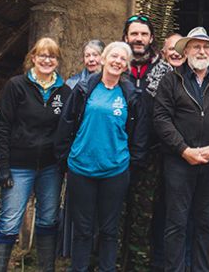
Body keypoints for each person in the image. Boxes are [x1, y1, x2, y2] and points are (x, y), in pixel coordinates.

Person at [55, 41, 146, 272]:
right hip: (81, 169)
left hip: (114, 171)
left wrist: (130, 165)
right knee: (83, 230)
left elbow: (137, 135)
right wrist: (64, 159)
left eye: (122, 59)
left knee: (108, 230)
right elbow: (66, 123)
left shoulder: (130, 95)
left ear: (126, 66)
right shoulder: (84, 89)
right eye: (113, 56)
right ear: (104, 59)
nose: (117, 61)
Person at [153, 27, 209, 272]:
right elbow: (161, 119)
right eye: (196, 46)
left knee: (206, 223)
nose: (201, 51)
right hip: (179, 163)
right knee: (176, 223)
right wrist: (183, 150)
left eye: (205, 47)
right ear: (186, 50)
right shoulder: (171, 80)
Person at [0, 37, 70, 272]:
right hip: (18, 165)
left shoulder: (63, 92)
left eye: (52, 56)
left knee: (48, 219)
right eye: (42, 55)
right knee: (9, 222)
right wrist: (3, 166)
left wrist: (62, 164)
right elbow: (2, 126)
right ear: (33, 58)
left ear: (57, 61)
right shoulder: (17, 86)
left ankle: (46, 268)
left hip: (50, 168)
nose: (47, 60)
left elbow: (66, 130)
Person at [121, 15, 175, 272]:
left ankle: (149, 264)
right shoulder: (117, 66)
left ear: (152, 38)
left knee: (150, 212)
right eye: (134, 34)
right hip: (117, 152)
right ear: (126, 37)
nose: (139, 39)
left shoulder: (165, 70)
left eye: (143, 34)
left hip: (154, 154)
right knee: (118, 211)